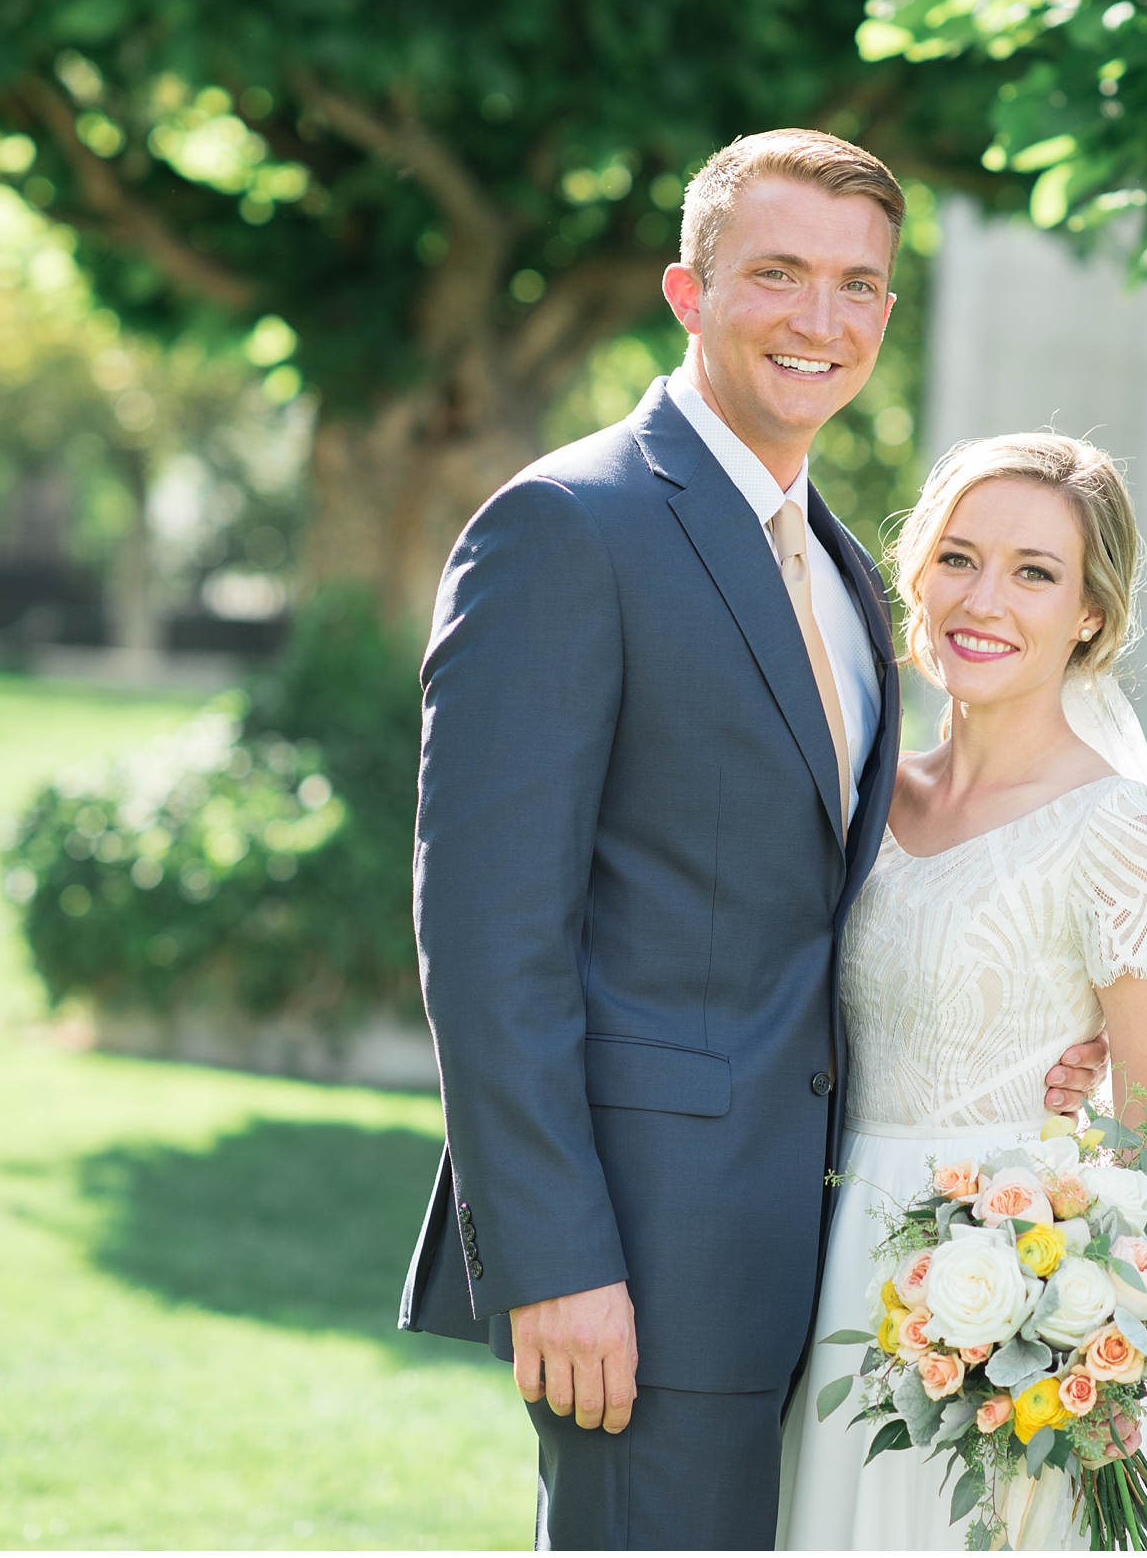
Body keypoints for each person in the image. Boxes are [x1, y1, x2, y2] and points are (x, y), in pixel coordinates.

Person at [398, 130, 1111, 1551]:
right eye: (777, 274)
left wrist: (1021, 1041)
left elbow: (812, 893)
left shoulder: (845, 565)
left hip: (848, 1263)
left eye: (857, 285)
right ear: (688, 289)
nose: (820, 319)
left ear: (887, 317)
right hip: (645, 1265)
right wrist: (553, 1260)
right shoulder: (566, 526)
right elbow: (488, 941)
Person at [774, 433, 1147, 1549]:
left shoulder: (1113, 826)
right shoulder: (858, 781)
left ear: (1089, 614)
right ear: (915, 574)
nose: (984, 599)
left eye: (1035, 572)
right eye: (958, 557)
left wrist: (1095, 1347)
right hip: (813, 1267)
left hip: (1003, 1296)